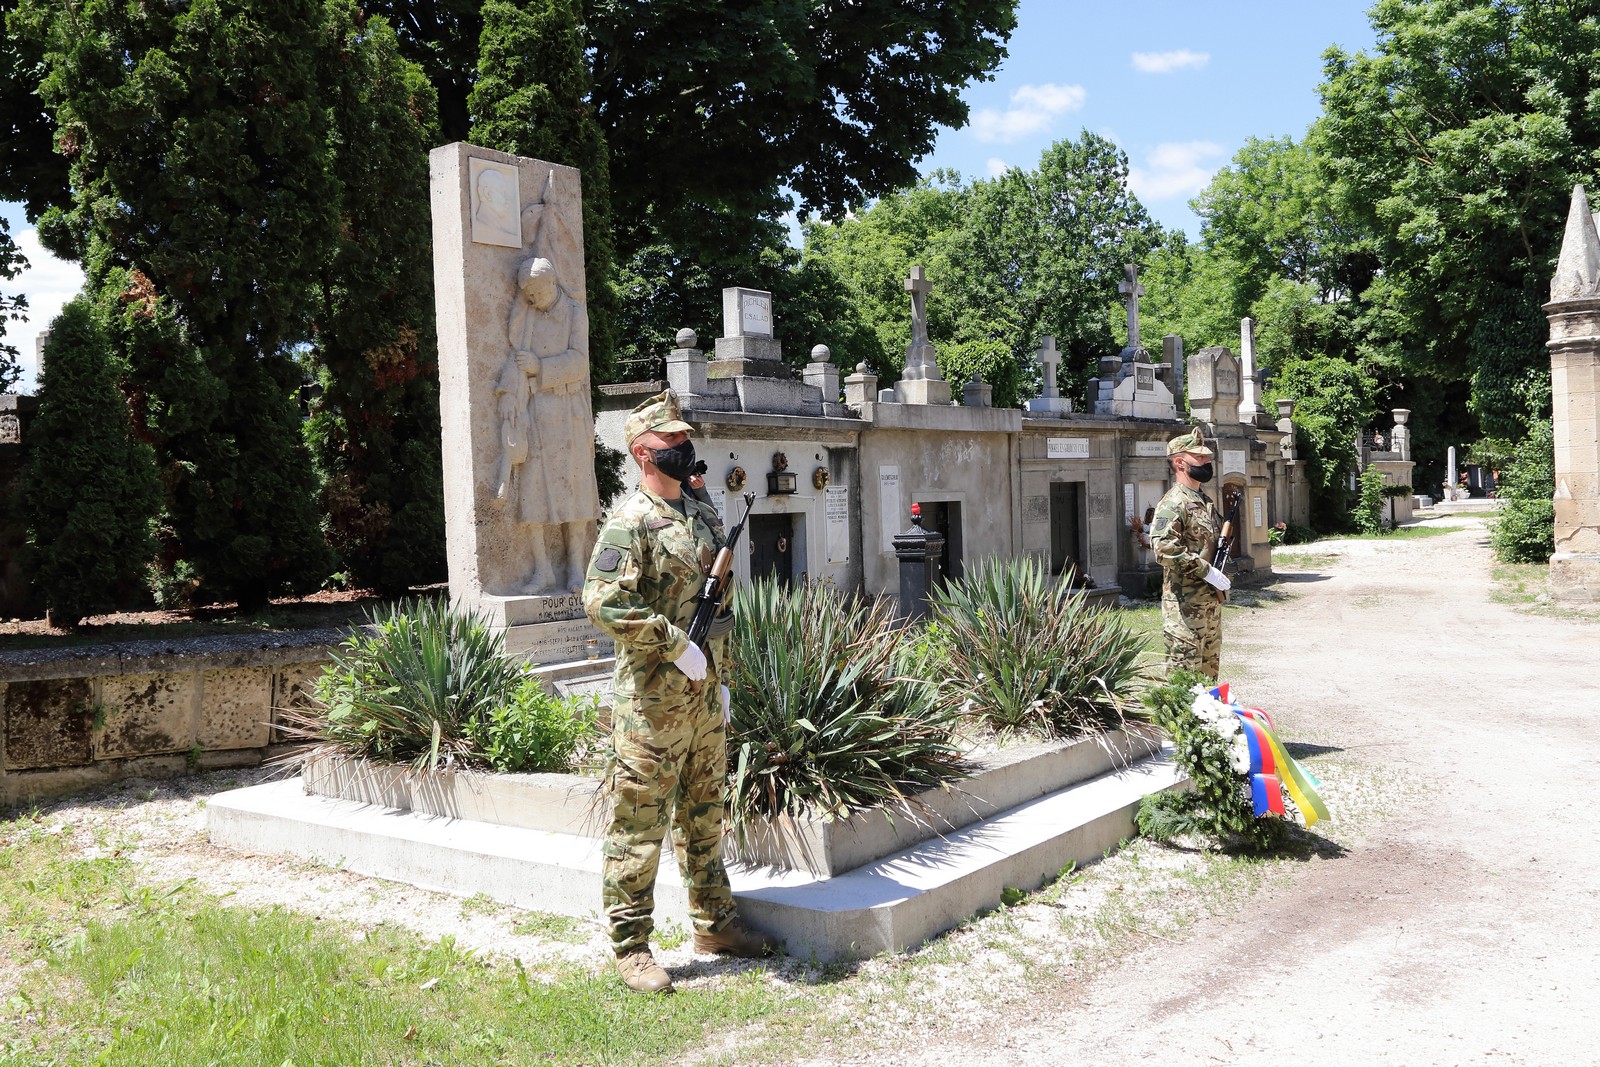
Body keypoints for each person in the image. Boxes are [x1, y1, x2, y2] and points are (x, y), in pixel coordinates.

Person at [582, 389, 776, 995]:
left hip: (703, 696)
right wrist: (671, 642)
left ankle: (714, 925)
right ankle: (632, 947)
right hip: (650, 704)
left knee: (704, 817)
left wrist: (722, 678)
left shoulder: (700, 513)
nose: (683, 450)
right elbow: (602, 600)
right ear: (644, 453)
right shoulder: (628, 521)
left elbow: (721, 606)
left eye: (683, 441)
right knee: (639, 825)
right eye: (671, 444)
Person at [1149, 426, 1231, 682]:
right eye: (1200, 457)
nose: (1206, 461)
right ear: (1180, 462)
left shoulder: (1203, 500)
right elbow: (1163, 548)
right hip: (1184, 607)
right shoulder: (1174, 502)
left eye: (1207, 457)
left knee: (1208, 681)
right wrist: (1206, 571)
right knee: (1183, 681)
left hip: (1208, 604)